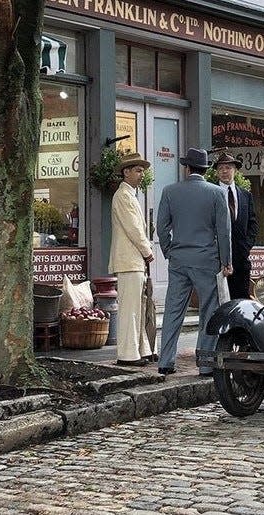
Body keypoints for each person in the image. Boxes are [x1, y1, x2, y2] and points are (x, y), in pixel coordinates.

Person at [156, 148, 232, 377]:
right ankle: (206, 363)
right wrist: (226, 261)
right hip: (207, 260)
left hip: (179, 259)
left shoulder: (170, 191)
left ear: (187, 168)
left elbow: (161, 227)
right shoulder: (217, 193)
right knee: (208, 310)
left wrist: (169, 250)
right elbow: (224, 231)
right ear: (205, 169)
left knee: (173, 310)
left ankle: (166, 361)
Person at [108, 152, 155, 366]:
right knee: (130, 309)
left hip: (134, 260)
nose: (141, 174)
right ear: (126, 172)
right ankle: (127, 354)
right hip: (129, 260)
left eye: (142, 171)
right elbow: (134, 228)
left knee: (139, 306)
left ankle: (140, 349)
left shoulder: (130, 195)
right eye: (137, 170)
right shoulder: (123, 196)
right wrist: (147, 250)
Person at [213, 152, 258, 300]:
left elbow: (253, 223)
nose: (224, 171)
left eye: (228, 167)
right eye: (220, 168)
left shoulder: (245, 195)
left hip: (241, 259)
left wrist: (246, 246)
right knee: (220, 300)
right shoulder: (211, 194)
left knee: (241, 301)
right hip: (216, 259)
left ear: (235, 170)